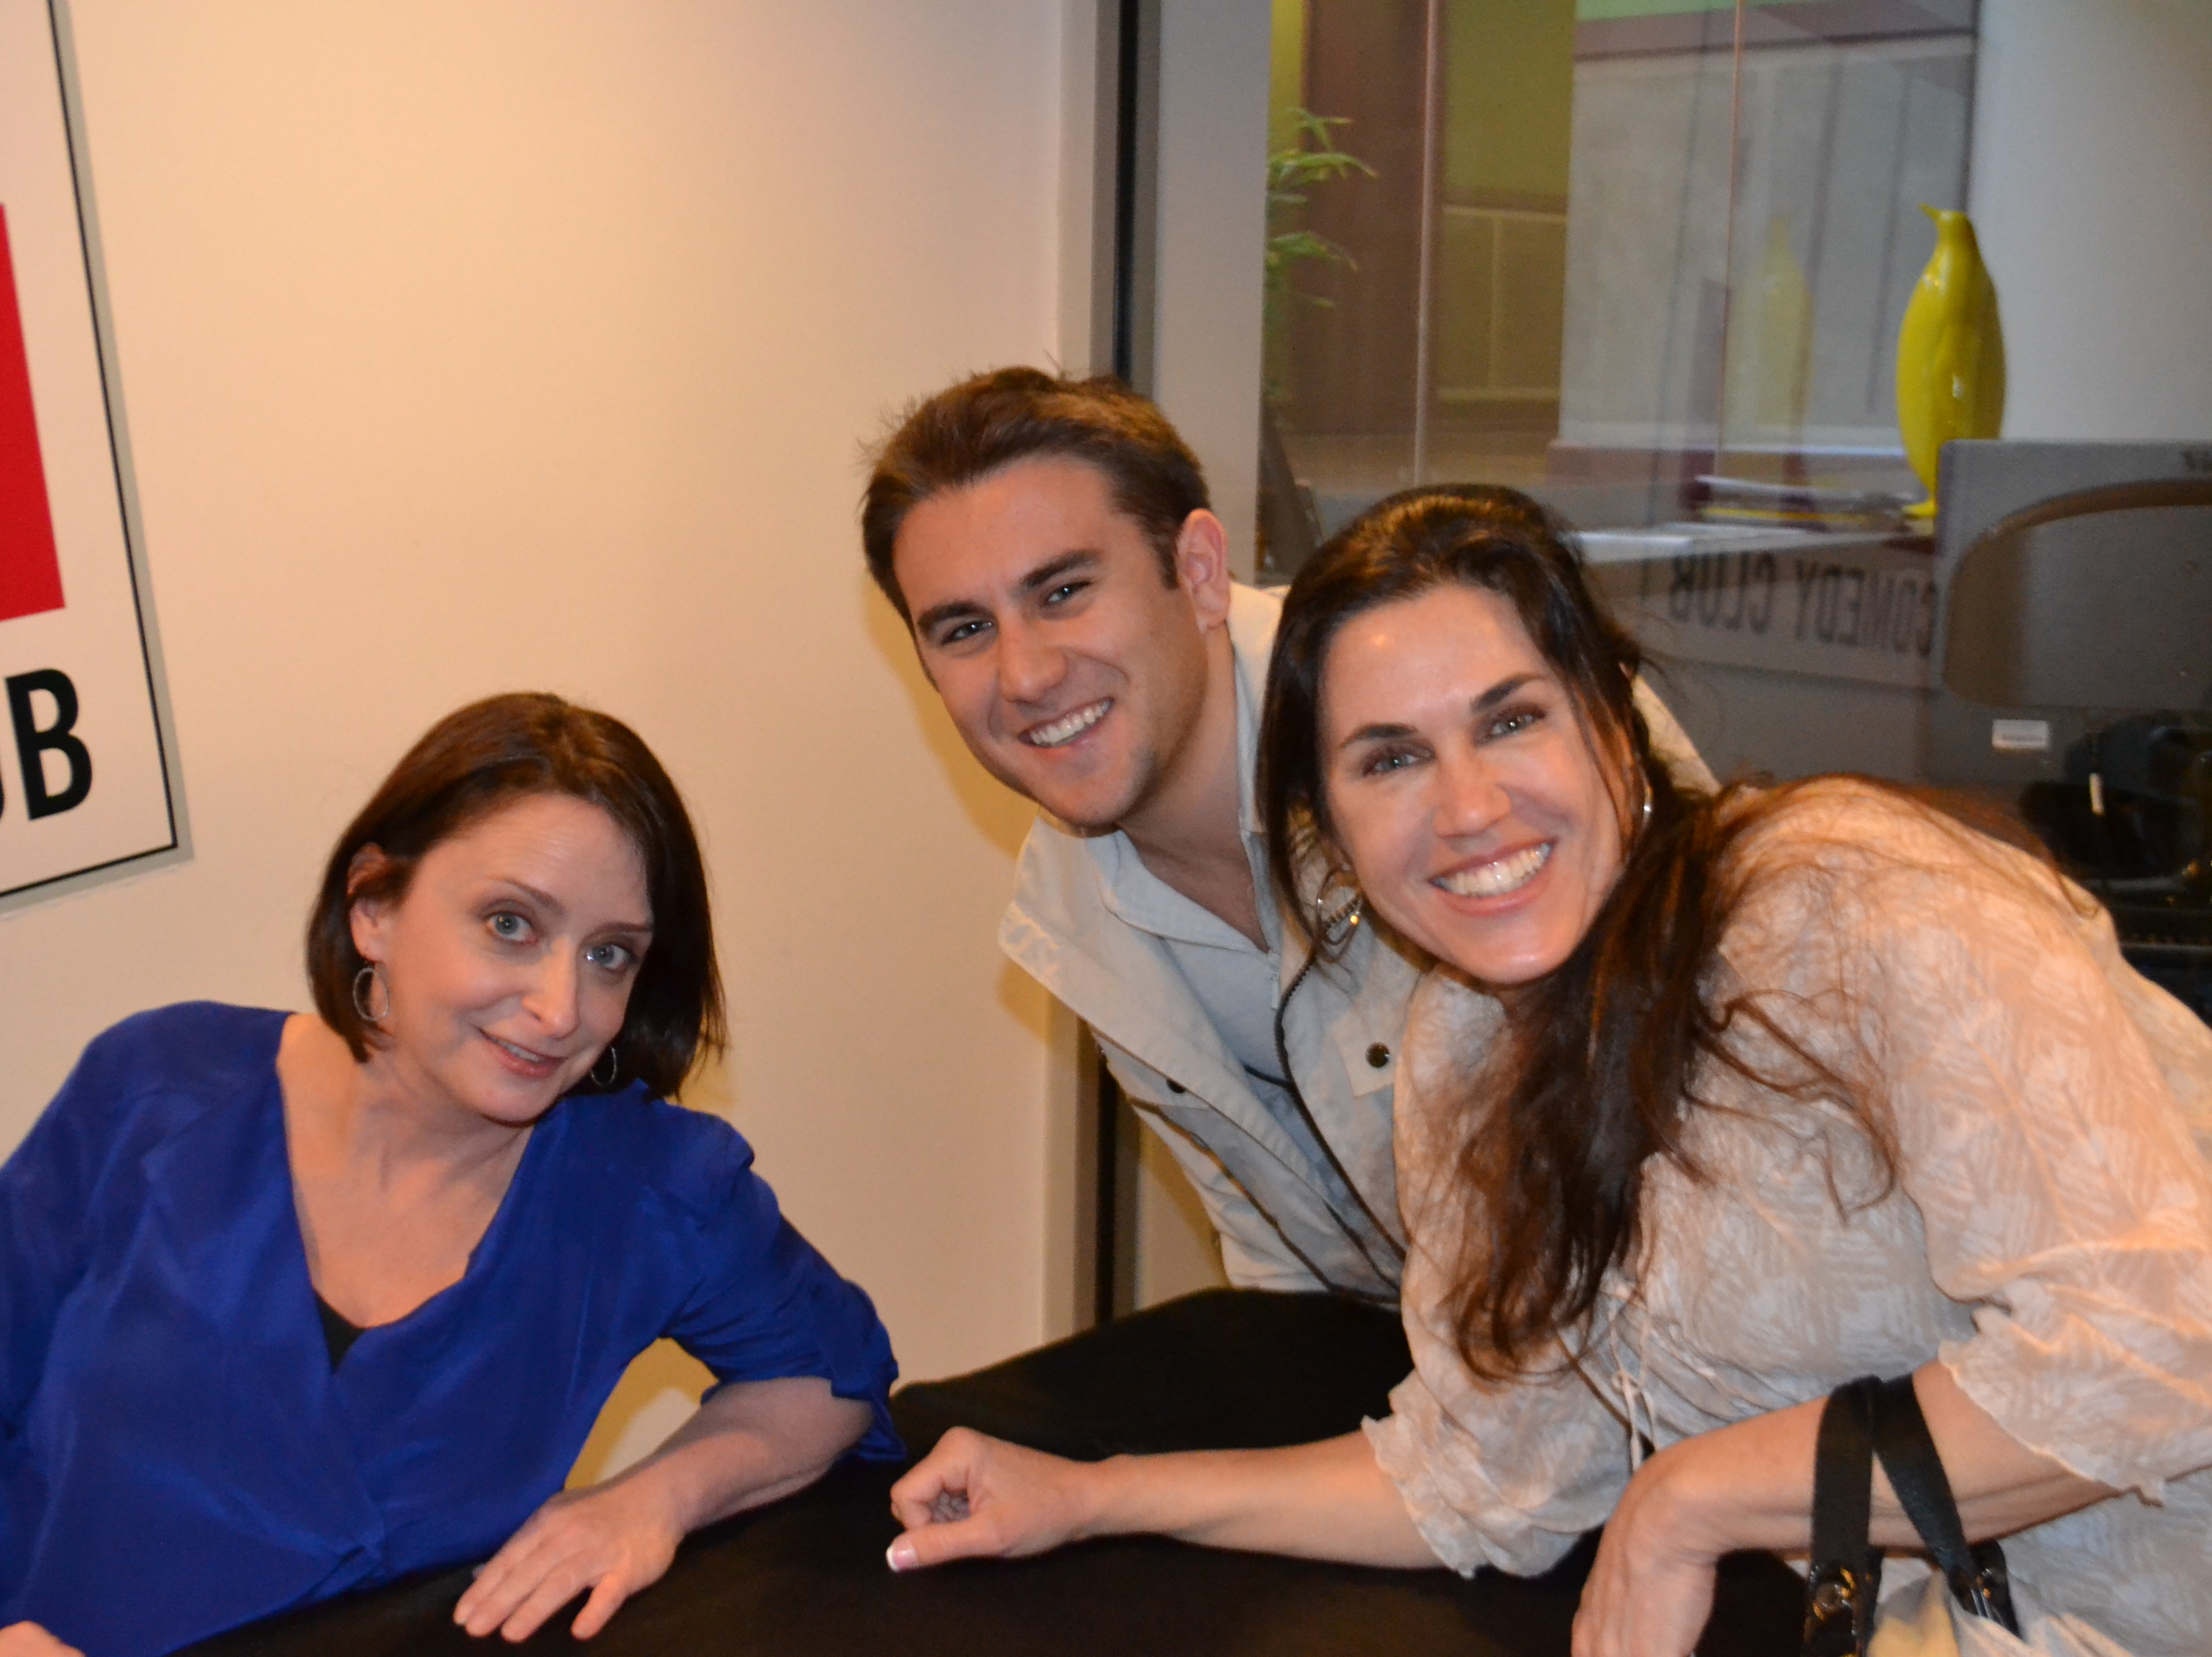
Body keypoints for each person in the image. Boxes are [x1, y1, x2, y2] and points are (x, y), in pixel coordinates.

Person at [883, 487, 2212, 1657]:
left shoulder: (1851, 899)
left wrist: (1690, 1503)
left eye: (1511, 721)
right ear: (1332, 830)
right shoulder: (1464, 1058)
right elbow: (1479, 1483)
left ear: (1616, 734)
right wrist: (1091, 1494)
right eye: (1390, 759)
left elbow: (2160, 1344)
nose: (1467, 809)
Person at [0, 693, 901, 1657]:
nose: (562, 1009)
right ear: (375, 907)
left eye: (610, 953)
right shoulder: (156, 1090)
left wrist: (649, 1501)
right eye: (511, 925)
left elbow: (829, 1382)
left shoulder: (648, 1184)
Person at [862, 368, 1712, 1302]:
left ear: (1197, 572)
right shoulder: (1069, 906)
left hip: (1672, 1338)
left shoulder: (1476, 696)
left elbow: (1739, 1086)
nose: (1024, 674)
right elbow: (1280, 1268)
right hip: (1407, 1353)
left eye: (1063, 591)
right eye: (964, 629)